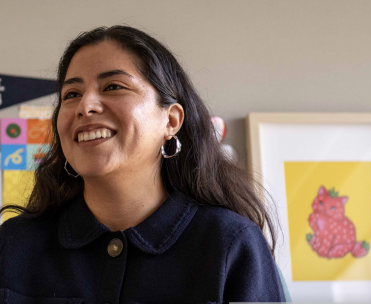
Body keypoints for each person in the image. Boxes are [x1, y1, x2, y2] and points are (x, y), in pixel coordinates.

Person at [0, 26, 287, 303]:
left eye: (113, 87)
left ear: (171, 121)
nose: (85, 105)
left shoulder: (231, 244)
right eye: (71, 94)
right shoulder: (13, 244)